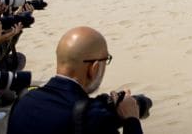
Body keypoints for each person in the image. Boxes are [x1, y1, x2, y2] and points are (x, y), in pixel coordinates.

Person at [8, 26, 144, 134]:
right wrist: (131, 119)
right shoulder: (92, 118)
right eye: (105, 60)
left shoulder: (24, 100)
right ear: (94, 68)